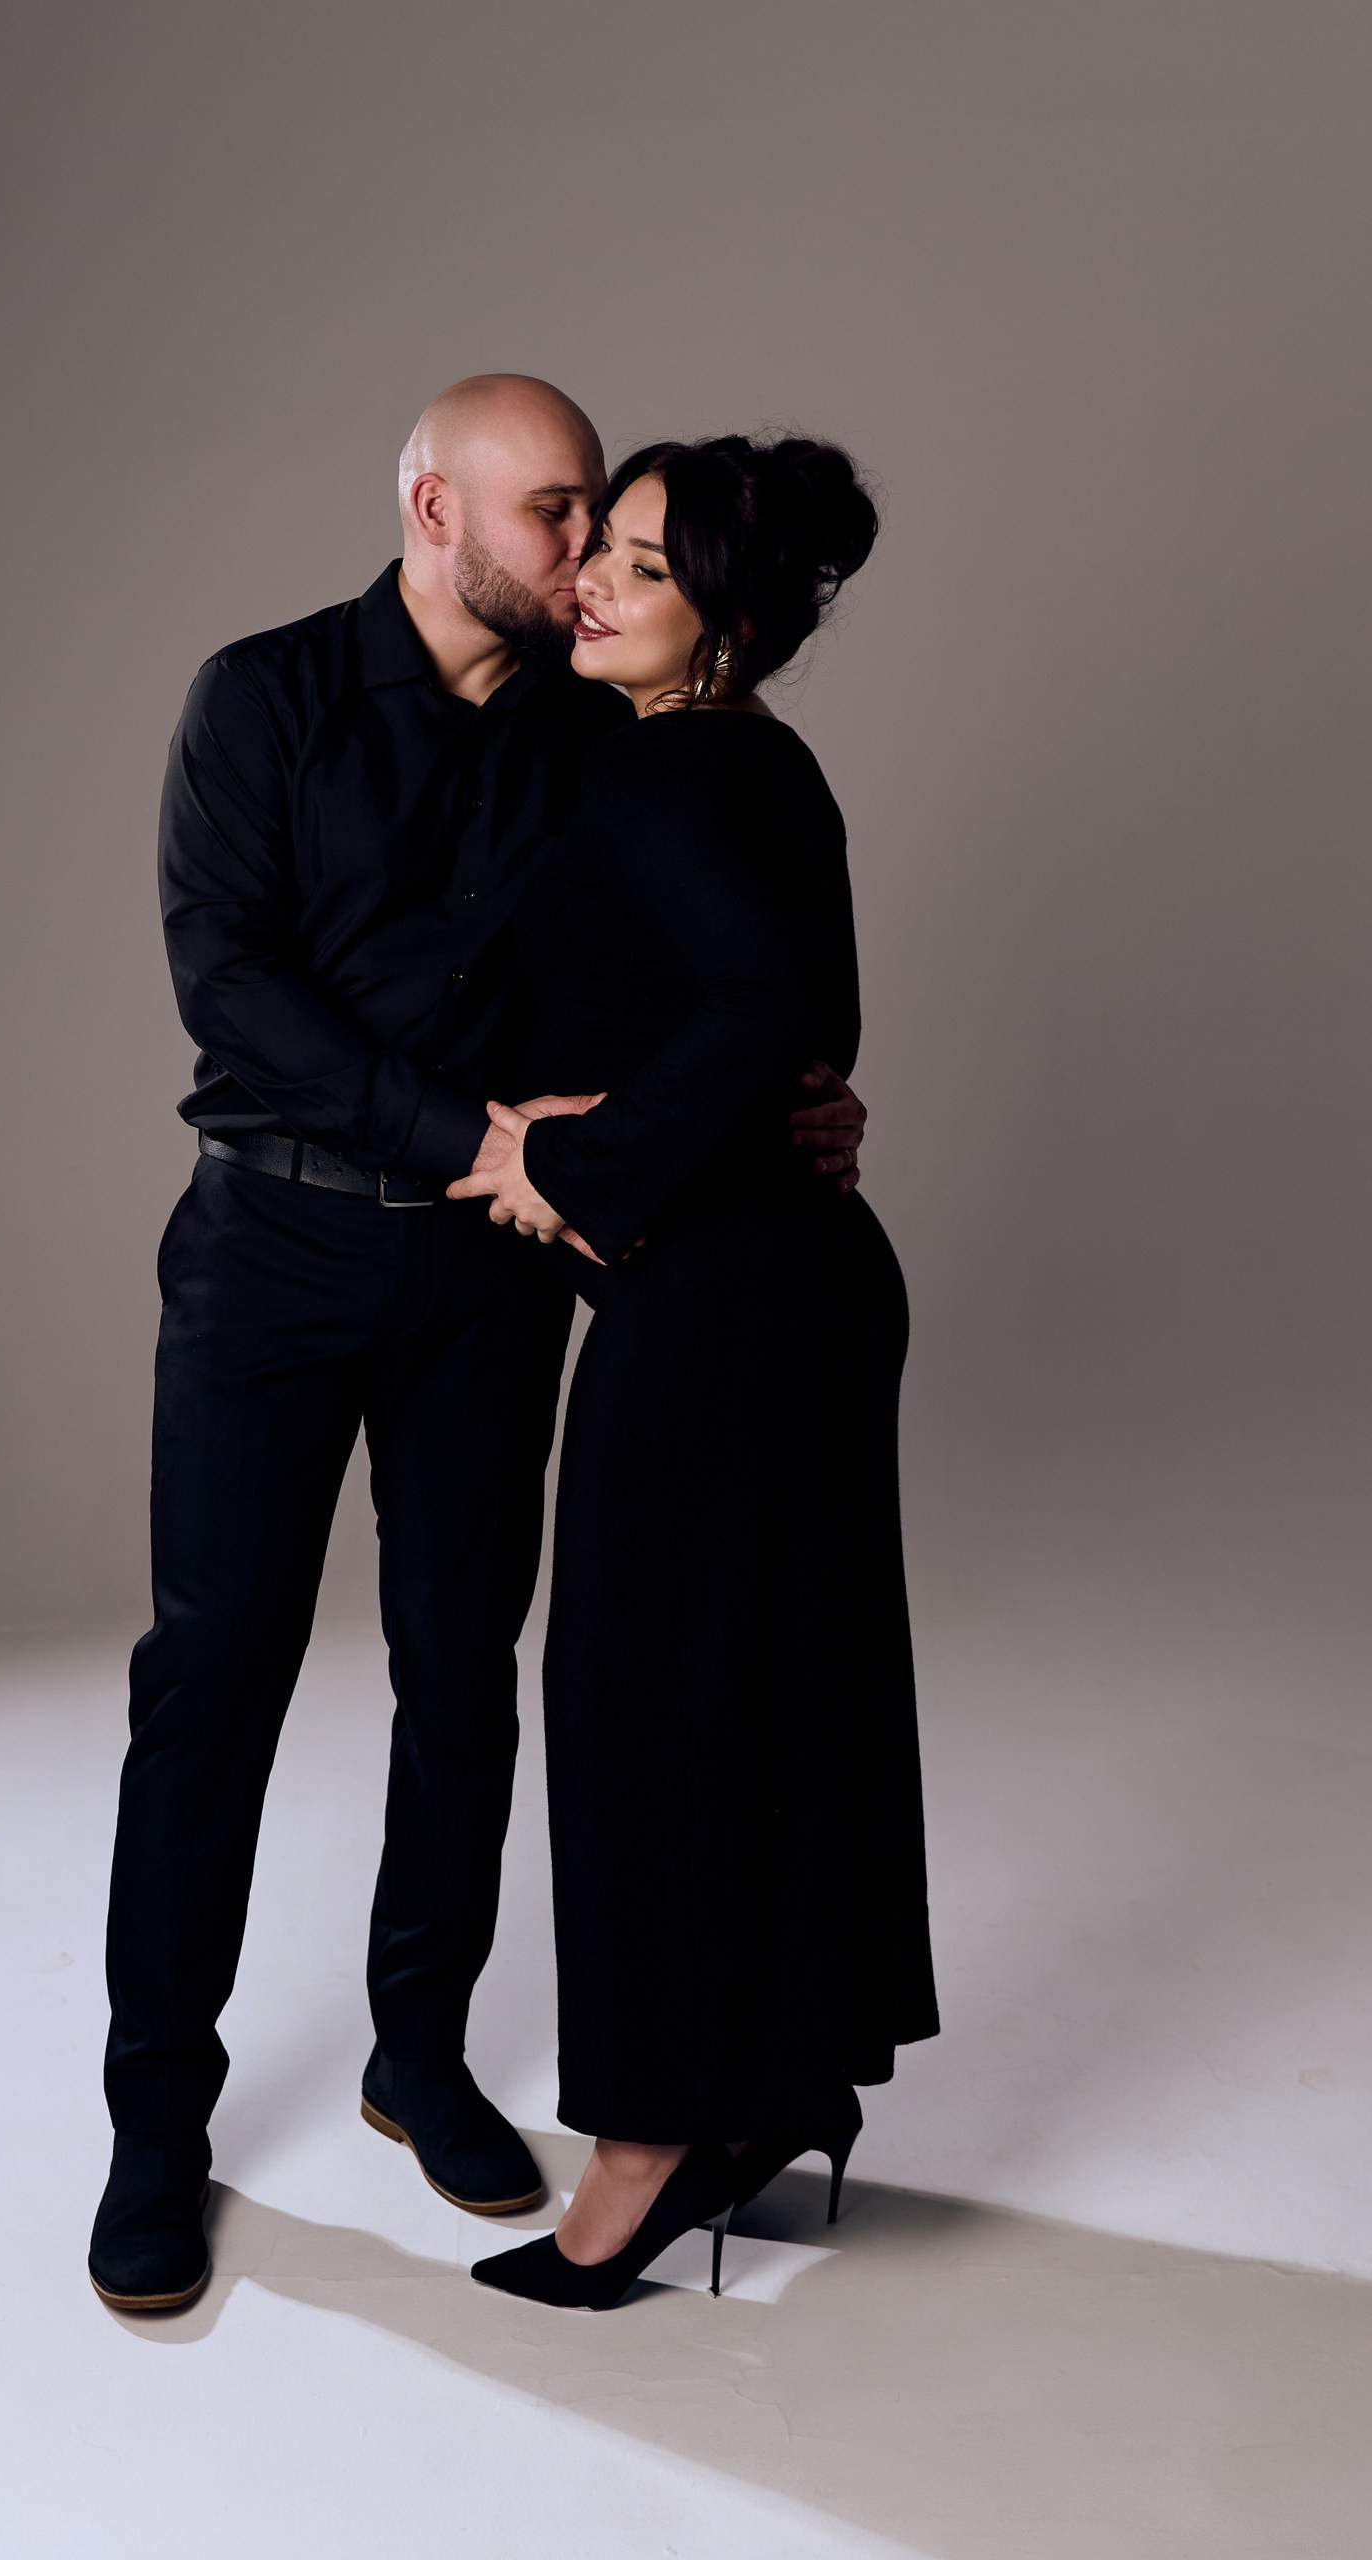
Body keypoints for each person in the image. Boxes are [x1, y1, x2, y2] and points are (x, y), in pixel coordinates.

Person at [89, 380, 870, 2312]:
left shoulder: (602, 728)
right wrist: (482, 1139)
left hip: (492, 1280)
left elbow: (699, 962)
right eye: (555, 512)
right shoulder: (262, 696)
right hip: (272, 1252)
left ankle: (416, 2055)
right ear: (436, 509)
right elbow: (229, 985)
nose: (584, 549)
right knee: (211, 1683)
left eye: (603, 520)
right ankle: (155, 2125)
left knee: (463, 1674)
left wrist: (786, 1104)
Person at [450, 435, 938, 2310]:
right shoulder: (761, 763)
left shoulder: (663, 767)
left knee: (644, 1714)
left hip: (725, 1310)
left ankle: (649, 2144)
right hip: (794, 1290)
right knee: (769, 1698)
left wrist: (565, 1166)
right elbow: (810, 1031)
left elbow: (765, 1012)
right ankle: (768, 2092)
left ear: (722, 618)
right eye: (601, 548)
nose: (591, 580)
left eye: (642, 566)